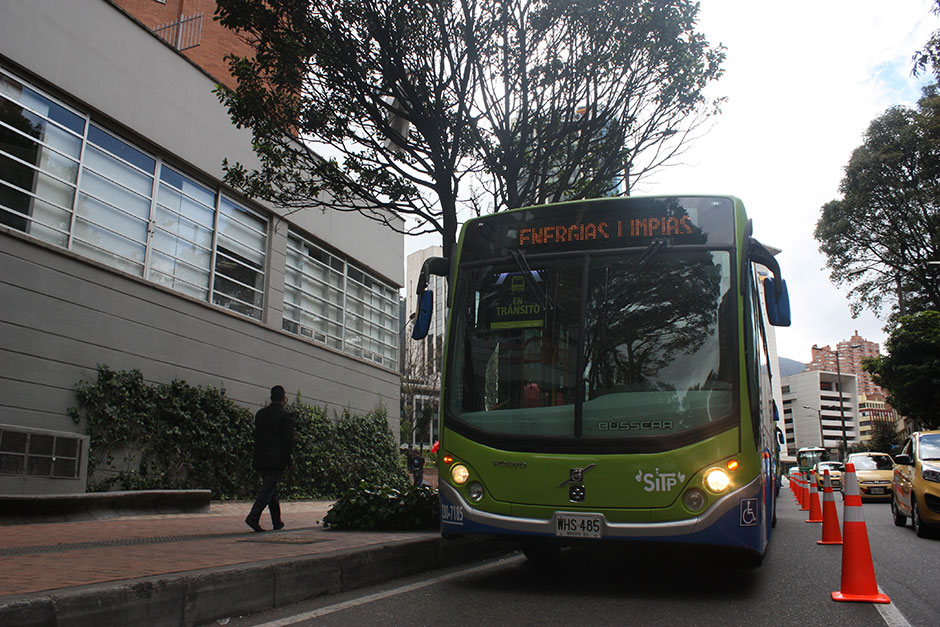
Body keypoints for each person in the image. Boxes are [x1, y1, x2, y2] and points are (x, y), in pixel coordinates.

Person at [245, 385, 295, 532]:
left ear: (271, 397)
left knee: (271, 489)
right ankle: (253, 517)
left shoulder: (261, 414)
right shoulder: (286, 416)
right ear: (284, 398)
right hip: (276, 459)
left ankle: (276, 522)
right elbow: (288, 442)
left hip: (261, 456)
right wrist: (288, 460)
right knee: (267, 490)